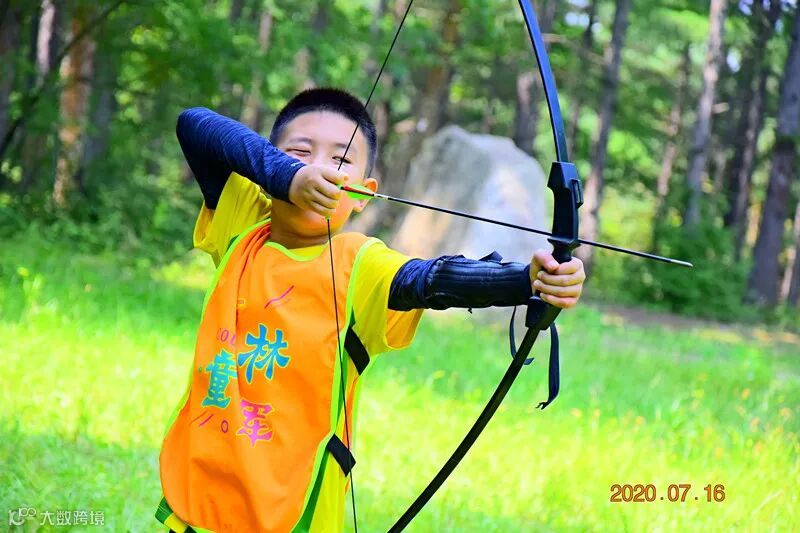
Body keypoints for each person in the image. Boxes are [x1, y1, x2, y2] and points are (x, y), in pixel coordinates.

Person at [154, 88, 586, 533]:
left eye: (341, 160)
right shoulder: (244, 222)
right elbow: (194, 122)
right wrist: (288, 177)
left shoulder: (360, 263)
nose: (320, 168)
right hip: (200, 488)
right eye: (300, 152)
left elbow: (429, 280)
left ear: (363, 193)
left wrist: (528, 279)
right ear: (267, 163)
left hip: (292, 506)